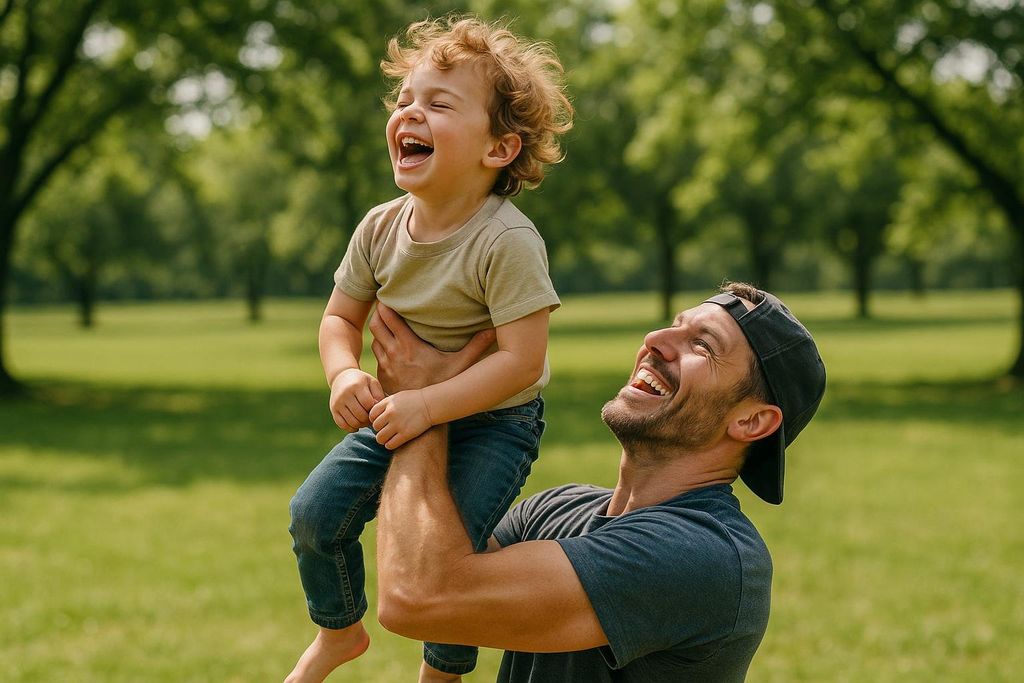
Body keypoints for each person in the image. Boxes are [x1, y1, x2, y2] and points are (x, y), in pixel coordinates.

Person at [285, 15, 573, 683]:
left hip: (494, 422)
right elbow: (338, 316)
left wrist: (428, 404)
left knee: (452, 560)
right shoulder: (381, 227)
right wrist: (342, 373)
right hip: (398, 407)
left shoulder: (506, 240)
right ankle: (338, 629)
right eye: (406, 100)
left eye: (439, 104)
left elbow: (521, 361)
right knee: (313, 514)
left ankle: (441, 673)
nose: (410, 112)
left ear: (499, 148)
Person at [372, 282, 826, 682]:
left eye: (703, 346)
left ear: (752, 421)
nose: (656, 340)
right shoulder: (553, 511)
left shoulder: (705, 556)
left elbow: (418, 596)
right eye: (673, 325)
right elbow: (446, 599)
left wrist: (421, 406)